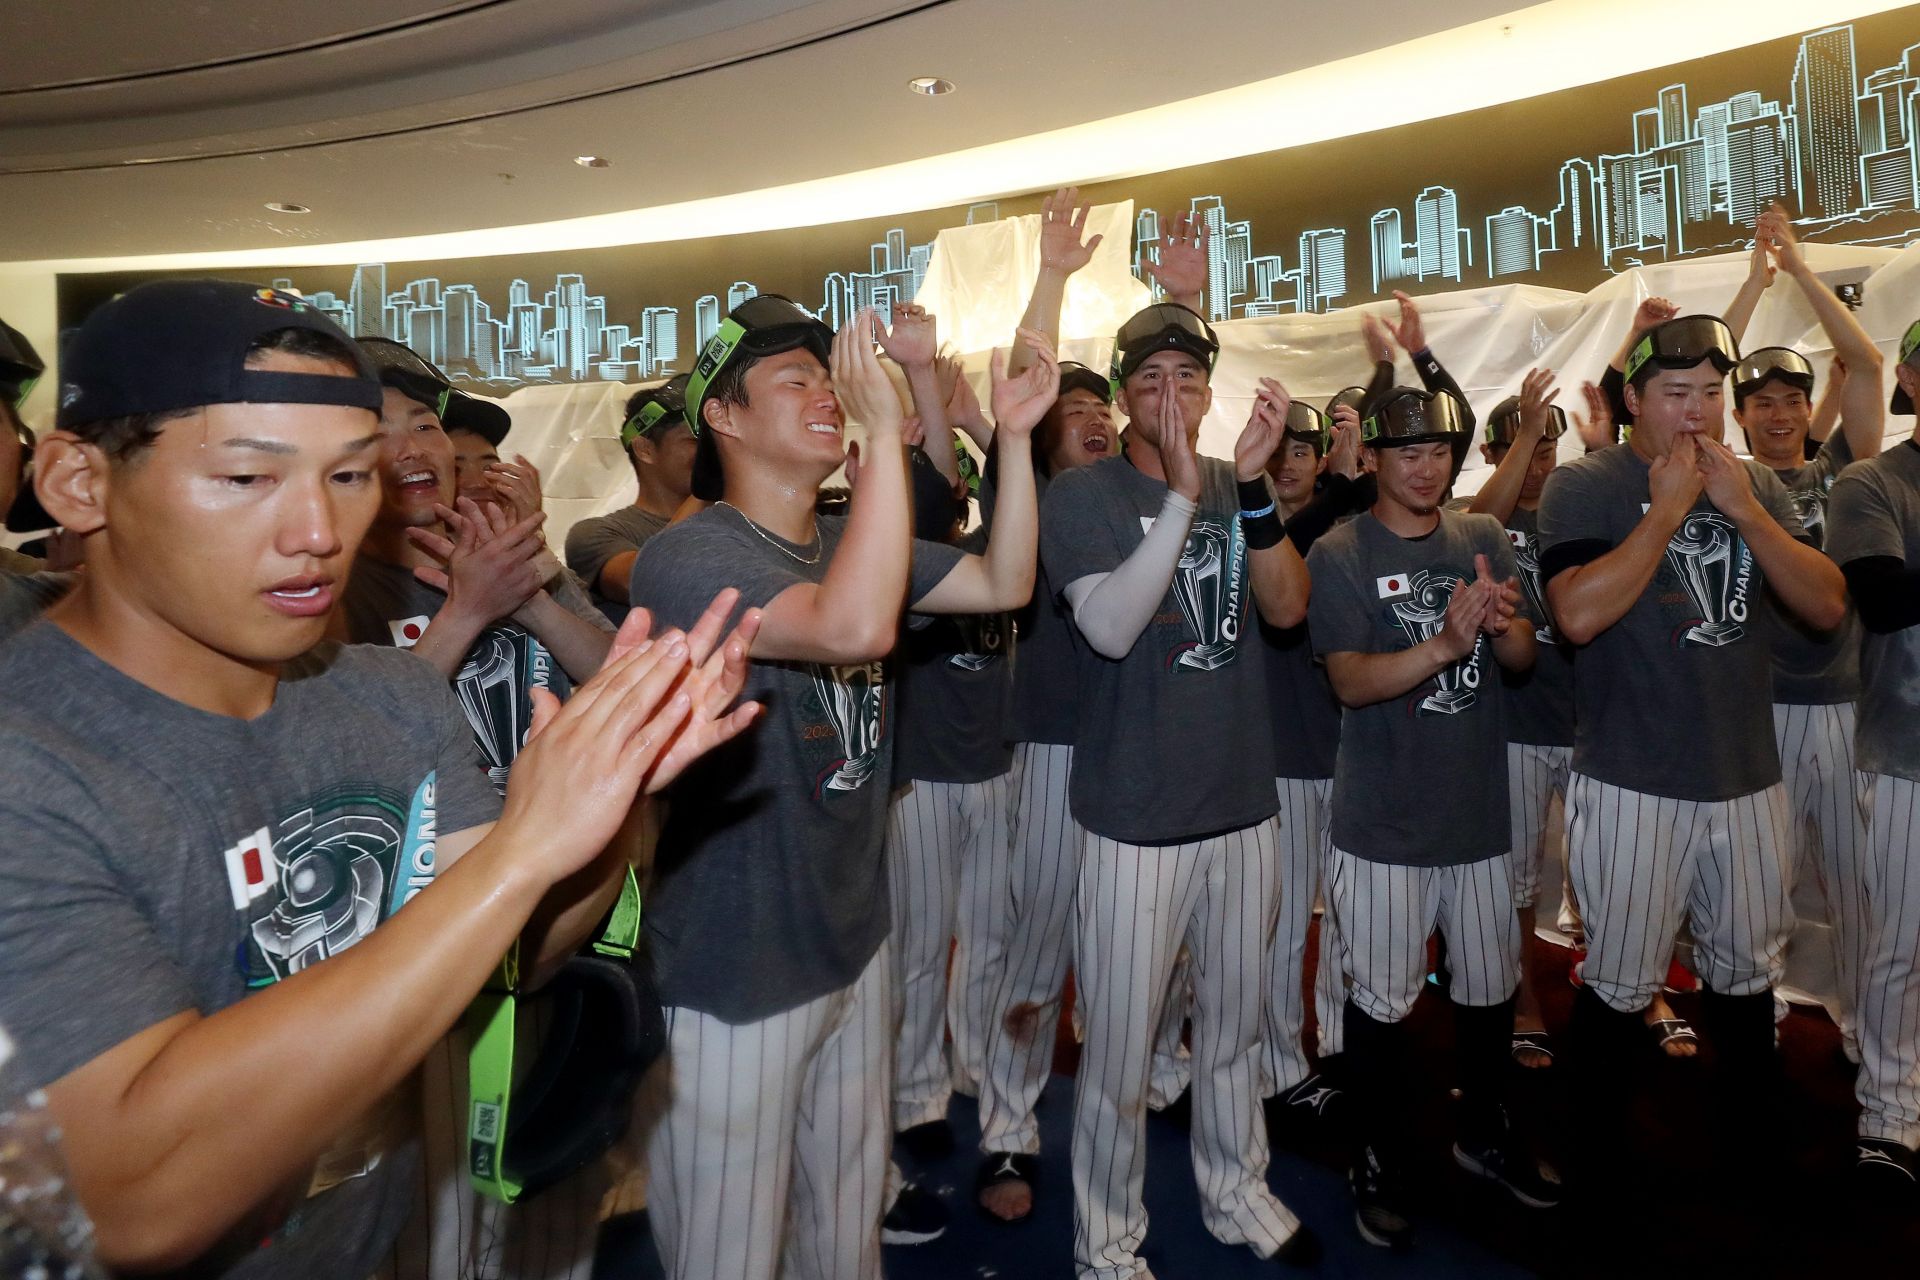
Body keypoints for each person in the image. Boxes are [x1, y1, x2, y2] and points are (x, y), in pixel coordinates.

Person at [0, 279, 758, 1278]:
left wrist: (620, 800)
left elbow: (509, 955)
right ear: (76, 481)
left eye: (350, 476)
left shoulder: (386, 694)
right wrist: (527, 848)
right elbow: (130, 1198)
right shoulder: (30, 757)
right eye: (247, 477)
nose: (319, 529)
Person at [631, 296, 1049, 1280]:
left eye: (830, 375)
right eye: (796, 380)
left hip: (851, 940)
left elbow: (1005, 584)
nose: (825, 390)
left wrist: (1018, 445)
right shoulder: (691, 554)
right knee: (729, 1251)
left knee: (847, 1223)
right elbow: (852, 627)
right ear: (723, 418)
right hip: (738, 970)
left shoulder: (841, 543)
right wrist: (875, 425)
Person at [1537, 314, 1848, 1197]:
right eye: (1677, 395)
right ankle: (1592, 1157)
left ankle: (1750, 1150)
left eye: (1713, 394)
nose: (1698, 413)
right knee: (1621, 979)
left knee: (1747, 977)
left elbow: (1827, 606)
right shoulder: (1588, 486)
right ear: (1633, 399)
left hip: (1748, 777)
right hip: (1633, 780)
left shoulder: (1748, 481)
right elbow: (1578, 614)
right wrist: (1668, 508)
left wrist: (1745, 508)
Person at [1042, 301, 1315, 1276]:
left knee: (1234, 1026)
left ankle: (1237, 1187)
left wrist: (1242, 490)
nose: (1171, 396)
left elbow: (1288, 608)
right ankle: (1107, 1243)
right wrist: (1184, 492)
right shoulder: (1084, 496)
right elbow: (1110, 626)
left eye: (1188, 380)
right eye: (1150, 381)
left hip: (1243, 804)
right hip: (1133, 818)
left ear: (1210, 392)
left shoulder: (1238, 492)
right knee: (1117, 1057)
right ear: (1121, 399)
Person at [1308, 386, 1556, 1248]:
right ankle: (1374, 1153)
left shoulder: (1482, 538)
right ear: (1372, 458)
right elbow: (1346, 680)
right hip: (1382, 825)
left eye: (1442, 451)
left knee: (1488, 993)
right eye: (1408, 453)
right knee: (1381, 1003)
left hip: (1478, 816)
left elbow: (1521, 662)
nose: (1428, 468)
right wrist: (1446, 644)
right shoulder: (1339, 551)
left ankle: (1482, 1130)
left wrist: (1503, 624)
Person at [975, 190, 1123, 1221]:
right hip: (1060, 751)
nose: (1097, 422)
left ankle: (1143, 1101)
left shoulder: (1147, 496)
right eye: (1078, 415)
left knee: (1137, 956)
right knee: (1039, 946)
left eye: (1103, 410)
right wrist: (1057, 277)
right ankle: (1007, 1132)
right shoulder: (1030, 489)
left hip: (1149, 754)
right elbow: (1028, 386)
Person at [1735, 204, 1884, 1061]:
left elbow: (1864, 363)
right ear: (1742, 414)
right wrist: (1754, 286)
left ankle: (1864, 1019)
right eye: (1763, 401)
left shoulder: (1843, 471)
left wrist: (1798, 270)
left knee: (1860, 882)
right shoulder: (1733, 480)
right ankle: (1764, 1015)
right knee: (1760, 882)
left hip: (1843, 703)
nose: (1784, 413)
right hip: (1757, 706)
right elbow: (1703, 362)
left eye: (1795, 398)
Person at [338, 338, 616, 793]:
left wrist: (528, 600)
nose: (412, 449)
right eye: (377, 433)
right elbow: (358, 740)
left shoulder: (513, 556)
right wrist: (468, 610)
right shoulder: (334, 592)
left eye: (426, 427)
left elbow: (620, 676)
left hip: (564, 831)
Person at [1825, 316, 1920, 1201]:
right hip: (1902, 749)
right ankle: (1889, 1115)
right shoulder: (1872, 479)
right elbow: (1886, 601)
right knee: (1900, 944)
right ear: (1913, 382)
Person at [1466, 371, 1575, 1069]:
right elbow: (1478, 522)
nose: (1539, 461)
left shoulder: (1581, 501)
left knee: (1612, 877)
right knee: (1517, 881)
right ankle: (1522, 996)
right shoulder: (1480, 517)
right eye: (1525, 447)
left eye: (1546, 447)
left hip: (1598, 720)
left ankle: (1633, 985)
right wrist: (1526, 430)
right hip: (1514, 724)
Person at [1256, 401, 1355, 1126]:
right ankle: (1279, 1062)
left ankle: (1348, 1045)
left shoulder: (1349, 534)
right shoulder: (1248, 532)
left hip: (1352, 756)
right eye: (1279, 447)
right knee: (1283, 924)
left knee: (1352, 917)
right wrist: (1339, 493)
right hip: (1277, 760)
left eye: (1305, 448)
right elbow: (1289, 550)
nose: (1290, 458)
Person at [565, 375, 697, 624]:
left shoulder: (742, 521)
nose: (711, 453)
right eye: (695, 441)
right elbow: (644, 584)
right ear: (645, 449)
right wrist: (706, 488)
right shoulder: (598, 533)